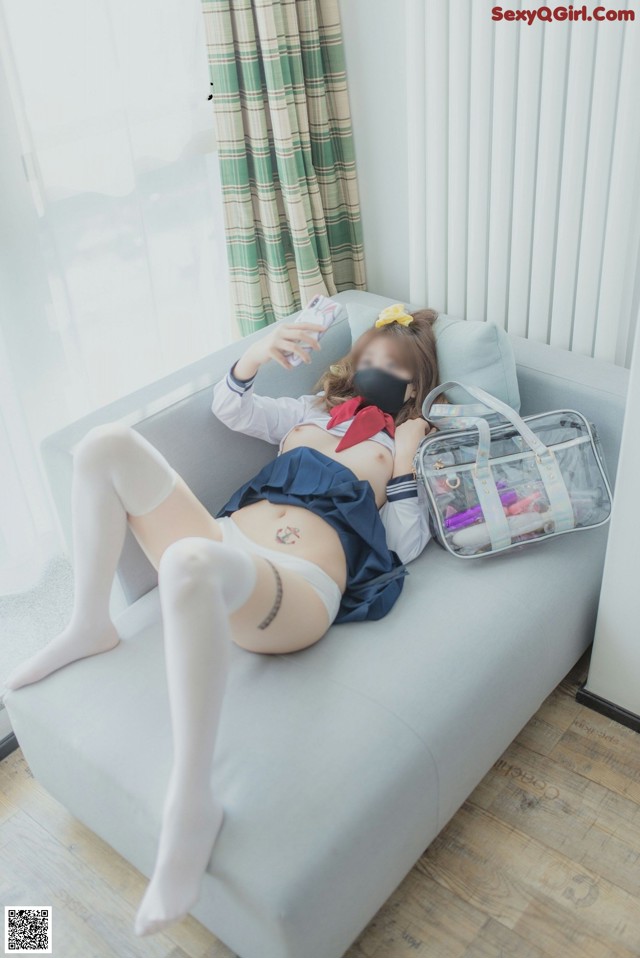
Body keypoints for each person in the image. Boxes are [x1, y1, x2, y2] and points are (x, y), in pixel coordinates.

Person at [2, 300, 444, 937]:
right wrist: (258, 352)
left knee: (187, 564)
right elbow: (232, 408)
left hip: (295, 586)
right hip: (227, 538)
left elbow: (404, 545)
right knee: (104, 447)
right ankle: (90, 623)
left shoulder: (401, 442)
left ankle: (192, 800)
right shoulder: (311, 412)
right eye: (370, 355)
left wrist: (403, 458)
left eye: (392, 364)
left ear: (415, 383)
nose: (375, 367)